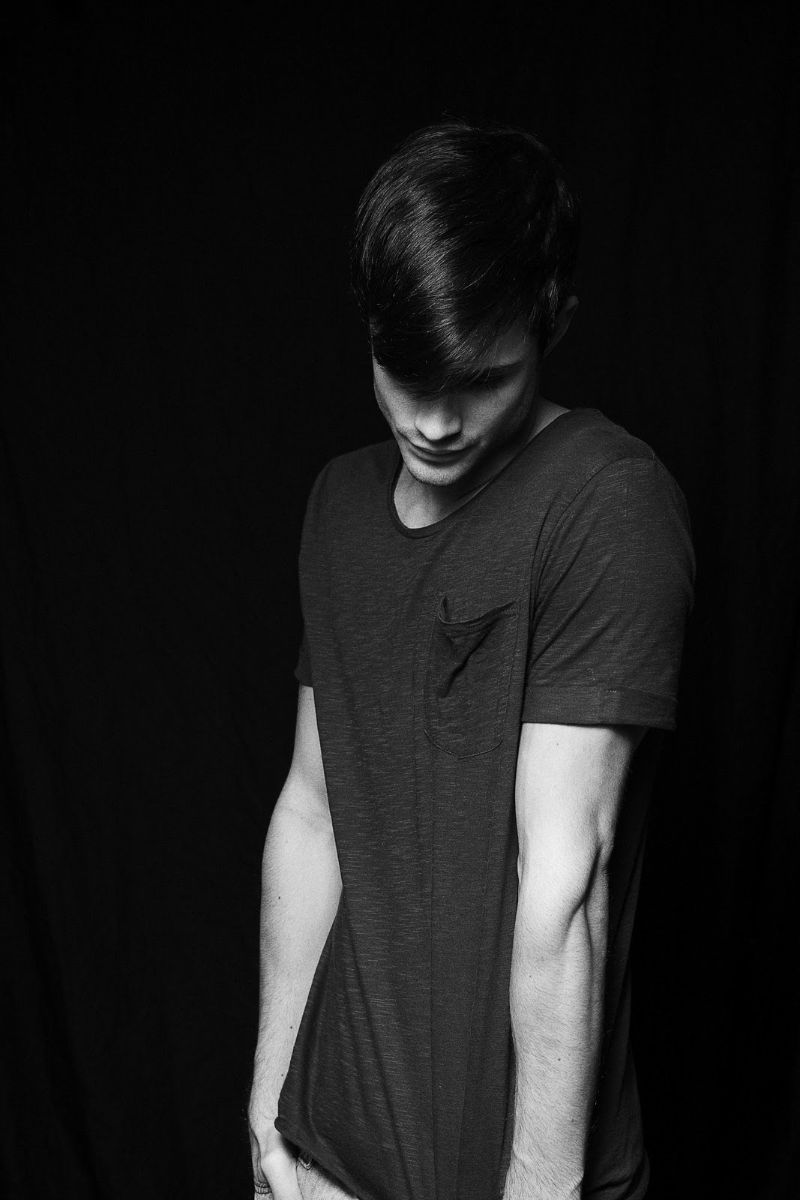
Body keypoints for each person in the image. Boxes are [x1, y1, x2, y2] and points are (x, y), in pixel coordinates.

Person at [247, 120, 695, 1200]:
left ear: (554, 324)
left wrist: (538, 1188)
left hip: (522, 1170)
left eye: (483, 379)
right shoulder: (338, 504)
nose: (437, 422)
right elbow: (312, 812)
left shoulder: (605, 500)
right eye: (408, 375)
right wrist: (268, 1120)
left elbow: (565, 880)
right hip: (328, 1155)